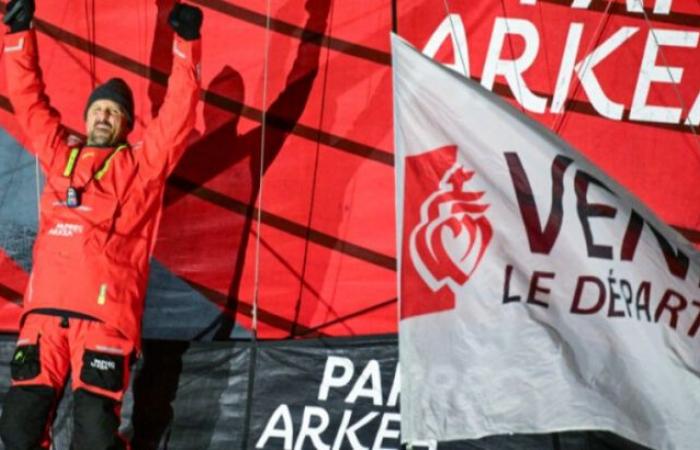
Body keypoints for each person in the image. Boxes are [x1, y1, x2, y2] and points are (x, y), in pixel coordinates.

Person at [0, 1, 203, 448]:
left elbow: (177, 117)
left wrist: (186, 46)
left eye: (114, 113)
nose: (104, 117)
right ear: (87, 116)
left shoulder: (140, 165)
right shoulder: (60, 154)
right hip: (44, 319)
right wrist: (17, 33)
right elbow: (28, 101)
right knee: (17, 427)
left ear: (126, 124)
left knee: (94, 432)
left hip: (104, 320)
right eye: (98, 110)